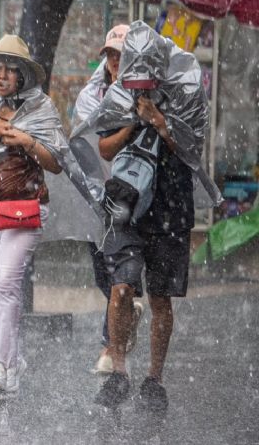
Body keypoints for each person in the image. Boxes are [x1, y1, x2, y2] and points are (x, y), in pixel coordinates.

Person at [83, 21, 222, 410]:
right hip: (127, 203)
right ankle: (119, 372)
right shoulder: (119, 94)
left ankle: (154, 379)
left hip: (172, 206)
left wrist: (160, 121)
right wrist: (133, 121)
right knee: (121, 287)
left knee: (161, 297)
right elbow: (106, 151)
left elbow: (192, 151)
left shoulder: (185, 93)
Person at [0, 35, 92, 395]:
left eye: (11, 69)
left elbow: (57, 163)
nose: (3, 76)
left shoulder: (40, 109)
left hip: (25, 208)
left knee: (9, 284)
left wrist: (27, 142)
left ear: (23, 75)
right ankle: (12, 359)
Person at [55, 24, 144, 375]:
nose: (115, 62)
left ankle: (111, 346)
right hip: (100, 195)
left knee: (119, 273)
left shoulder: (146, 93)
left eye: (121, 55)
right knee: (101, 273)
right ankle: (127, 316)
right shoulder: (93, 97)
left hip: (134, 199)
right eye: (110, 55)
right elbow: (87, 142)